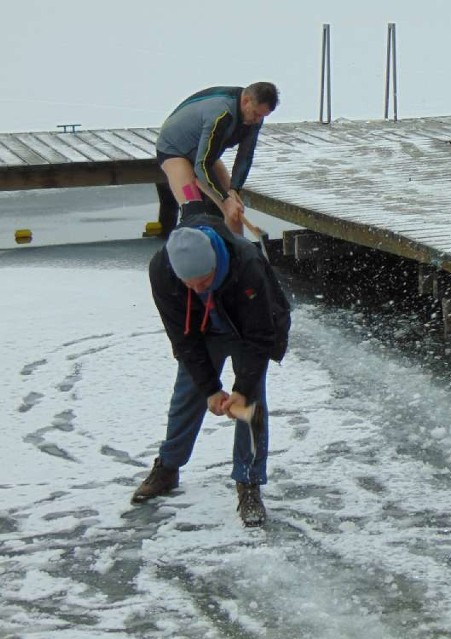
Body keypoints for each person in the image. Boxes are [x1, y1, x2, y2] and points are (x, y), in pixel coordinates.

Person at [132, 212, 291, 526]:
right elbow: (182, 338)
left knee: (251, 403)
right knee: (187, 393)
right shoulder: (163, 272)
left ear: (215, 264)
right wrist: (209, 388)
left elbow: (262, 335)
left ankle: (249, 483)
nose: (196, 288)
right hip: (203, 332)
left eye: (203, 281)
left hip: (248, 331)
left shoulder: (246, 263)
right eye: (188, 284)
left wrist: (241, 390)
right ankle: (168, 467)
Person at [155, 82, 279, 236]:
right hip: (175, 151)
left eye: (263, 116)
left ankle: (237, 256)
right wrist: (225, 199)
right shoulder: (221, 114)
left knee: (235, 211)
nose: (258, 120)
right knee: (194, 211)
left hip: (204, 154)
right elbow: (202, 166)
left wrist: (234, 190)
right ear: (246, 101)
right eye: (256, 114)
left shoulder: (254, 119)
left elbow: (245, 157)